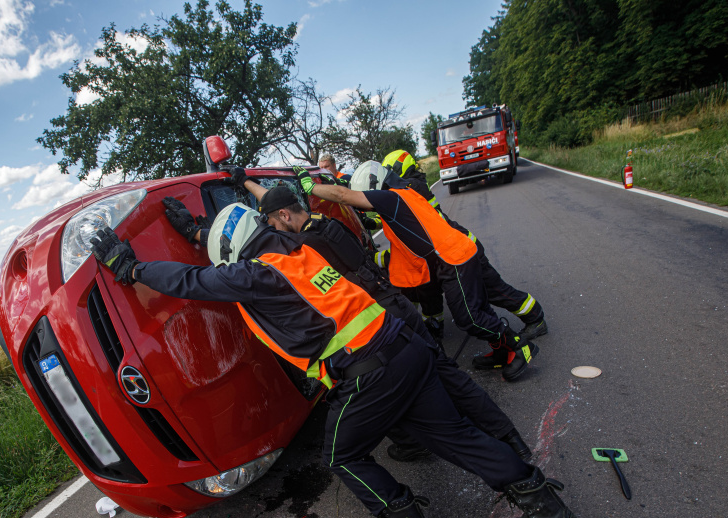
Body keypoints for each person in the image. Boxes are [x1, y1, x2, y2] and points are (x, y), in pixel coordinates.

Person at [88, 200, 588, 518]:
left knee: (342, 455)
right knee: (455, 437)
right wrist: (200, 230)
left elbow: (195, 283)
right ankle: (550, 512)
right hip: (403, 349)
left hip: (371, 372)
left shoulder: (258, 274)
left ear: (233, 255)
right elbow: (232, 256)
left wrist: (130, 268)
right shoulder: (291, 249)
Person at [216, 170, 534, 462]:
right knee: (448, 375)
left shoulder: (303, 246)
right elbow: (278, 204)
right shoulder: (327, 226)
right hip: (398, 305)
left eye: (270, 224)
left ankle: (431, 443)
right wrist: (246, 181)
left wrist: (204, 237)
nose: (268, 232)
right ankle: (510, 438)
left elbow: (271, 233)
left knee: (385, 386)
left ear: (283, 217)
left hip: (383, 319)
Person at [292, 163, 538, 382]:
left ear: (374, 187)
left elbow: (343, 196)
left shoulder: (390, 197)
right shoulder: (404, 193)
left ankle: (518, 347)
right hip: (454, 256)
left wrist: (308, 185)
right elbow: (404, 229)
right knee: (478, 311)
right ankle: (501, 352)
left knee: (469, 318)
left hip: (453, 259)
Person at [380, 150, 549, 353]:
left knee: (493, 290)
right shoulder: (415, 186)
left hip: (463, 249)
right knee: (461, 291)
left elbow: (393, 207)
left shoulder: (411, 188)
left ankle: (535, 319)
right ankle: (497, 340)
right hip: (454, 246)